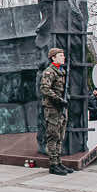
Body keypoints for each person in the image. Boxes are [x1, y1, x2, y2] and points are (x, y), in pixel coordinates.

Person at [39, 47, 73, 176]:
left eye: (63, 55)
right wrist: (58, 99)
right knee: (53, 136)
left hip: (61, 108)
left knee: (60, 136)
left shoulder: (61, 71)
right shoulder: (50, 72)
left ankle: (59, 162)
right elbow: (45, 88)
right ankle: (53, 164)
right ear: (53, 57)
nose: (63, 57)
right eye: (60, 55)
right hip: (53, 108)